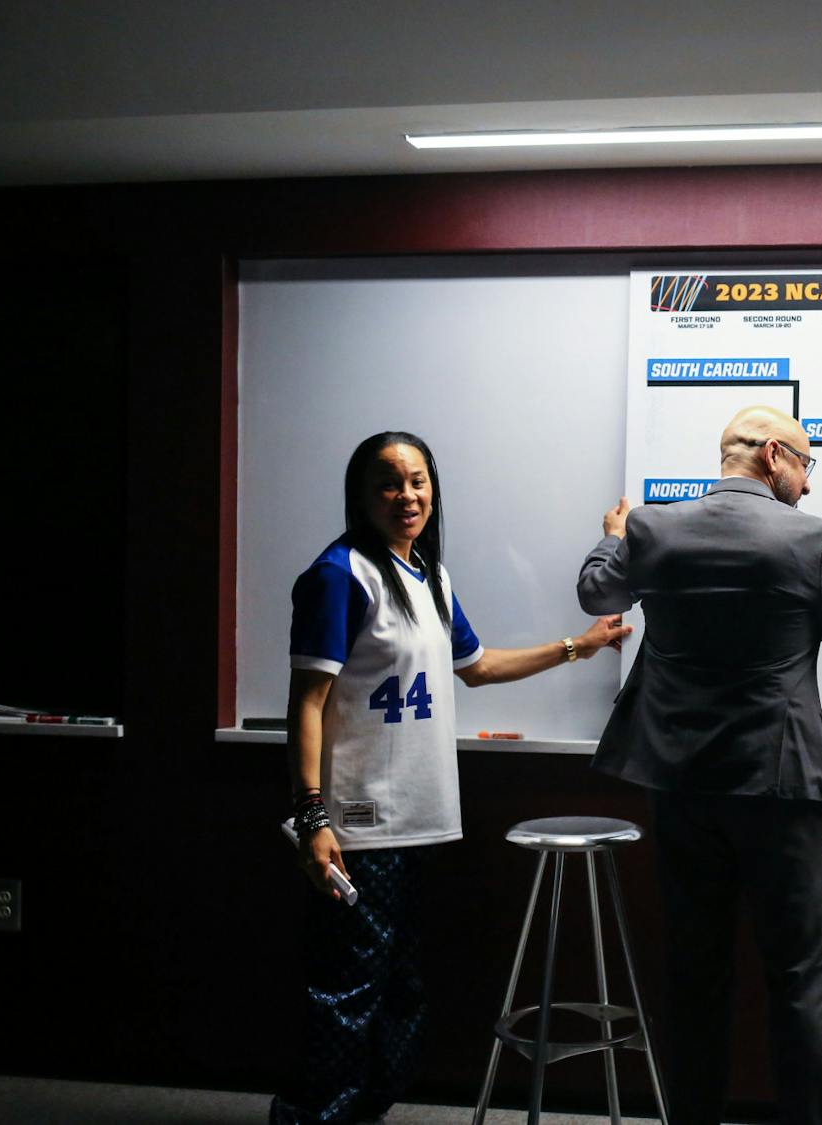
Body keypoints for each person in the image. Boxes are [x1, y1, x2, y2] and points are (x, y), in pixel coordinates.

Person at [271, 430, 630, 1125]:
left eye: (418, 481)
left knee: (402, 996)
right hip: (358, 829)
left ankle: (357, 1114)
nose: (407, 495)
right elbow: (307, 701)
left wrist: (576, 647)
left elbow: (478, 665)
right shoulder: (340, 574)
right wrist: (312, 818)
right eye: (389, 483)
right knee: (346, 999)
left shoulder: (430, 575)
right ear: (361, 495)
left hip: (421, 821)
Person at [576, 405, 822, 1125]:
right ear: (774, 456)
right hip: (781, 789)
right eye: (806, 466)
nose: (809, 487)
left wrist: (609, 538)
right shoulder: (811, 538)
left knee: (694, 979)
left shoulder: (652, 528)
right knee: (799, 984)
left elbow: (598, 593)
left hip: (683, 789)